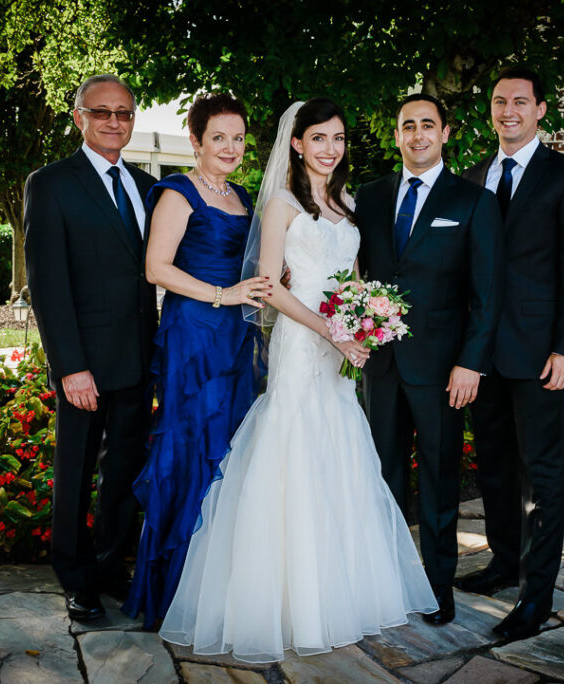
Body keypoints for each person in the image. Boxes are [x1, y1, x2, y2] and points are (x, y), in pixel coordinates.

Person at [159, 98, 437, 662]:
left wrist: (365, 324)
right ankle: (287, 600)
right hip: (300, 341)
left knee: (339, 450)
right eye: (318, 139)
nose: (330, 149)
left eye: (338, 139)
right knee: (293, 445)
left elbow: (356, 280)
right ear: (296, 144)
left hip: (339, 348)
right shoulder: (283, 204)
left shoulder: (350, 203)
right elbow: (270, 287)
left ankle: (340, 594)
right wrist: (332, 331)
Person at [122, 93, 270, 629]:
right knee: (193, 445)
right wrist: (222, 294)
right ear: (196, 140)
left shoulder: (243, 196)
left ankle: (219, 583)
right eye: (218, 138)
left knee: (233, 446)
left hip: (237, 338)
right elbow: (156, 268)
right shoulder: (179, 194)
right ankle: (176, 587)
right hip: (196, 334)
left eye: (238, 137)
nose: (230, 147)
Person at [459, 66, 564, 643]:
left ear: (540, 109)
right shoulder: (470, 177)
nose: (507, 110)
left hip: (539, 355)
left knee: (543, 477)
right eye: (498, 101)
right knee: (493, 466)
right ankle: (503, 562)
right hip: (480, 355)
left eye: (520, 101)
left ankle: (535, 597)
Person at [355, 94, 502, 626]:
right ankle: (388, 583)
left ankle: (438, 589)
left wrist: (471, 363)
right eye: (407, 125)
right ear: (395, 134)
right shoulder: (368, 198)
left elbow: (488, 294)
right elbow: (353, 274)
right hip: (381, 366)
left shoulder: (472, 201)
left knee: (439, 482)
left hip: (443, 370)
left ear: (444, 133)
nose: (417, 134)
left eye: (427, 125)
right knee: (382, 477)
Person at [24, 74, 158, 621]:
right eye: (101, 112)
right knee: (76, 473)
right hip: (85, 363)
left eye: (124, 112)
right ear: (78, 116)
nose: (114, 122)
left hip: (139, 356)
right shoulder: (51, 183)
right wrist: (70, 367)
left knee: (124, 472)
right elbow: (48, 283)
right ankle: (75, 575)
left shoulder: (150, 185)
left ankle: (108, 566)